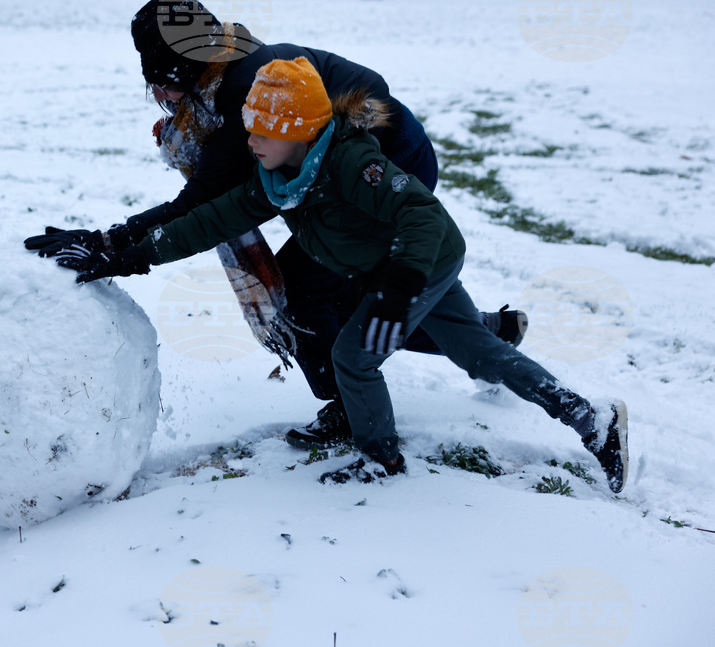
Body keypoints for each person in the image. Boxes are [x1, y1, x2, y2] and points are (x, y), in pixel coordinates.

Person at [46, 57, 630, 493]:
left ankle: (381, 459)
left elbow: (423, 216)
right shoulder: (276, 178)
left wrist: (400, 288)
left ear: (298, 130)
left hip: (419, 258)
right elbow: (206, 220)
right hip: (391, 265)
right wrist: (123, 255)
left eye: (260, 131)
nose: (248, 141)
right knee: (478, 354)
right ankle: (591, 418)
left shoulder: (355, 162)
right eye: (248, 128)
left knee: (354, 355)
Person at [26, 0, 526, 453]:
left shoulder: (239, 93)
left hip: (388, 171)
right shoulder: (224, 69)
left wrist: (112, 242)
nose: (162, 95)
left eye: (164, 82)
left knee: (311, 296)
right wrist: (118, 243)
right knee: (347, 297)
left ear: (187, 66)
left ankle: (359, 405)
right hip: (344, 178)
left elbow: (200, 203)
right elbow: (211, 205)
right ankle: (487, 333)